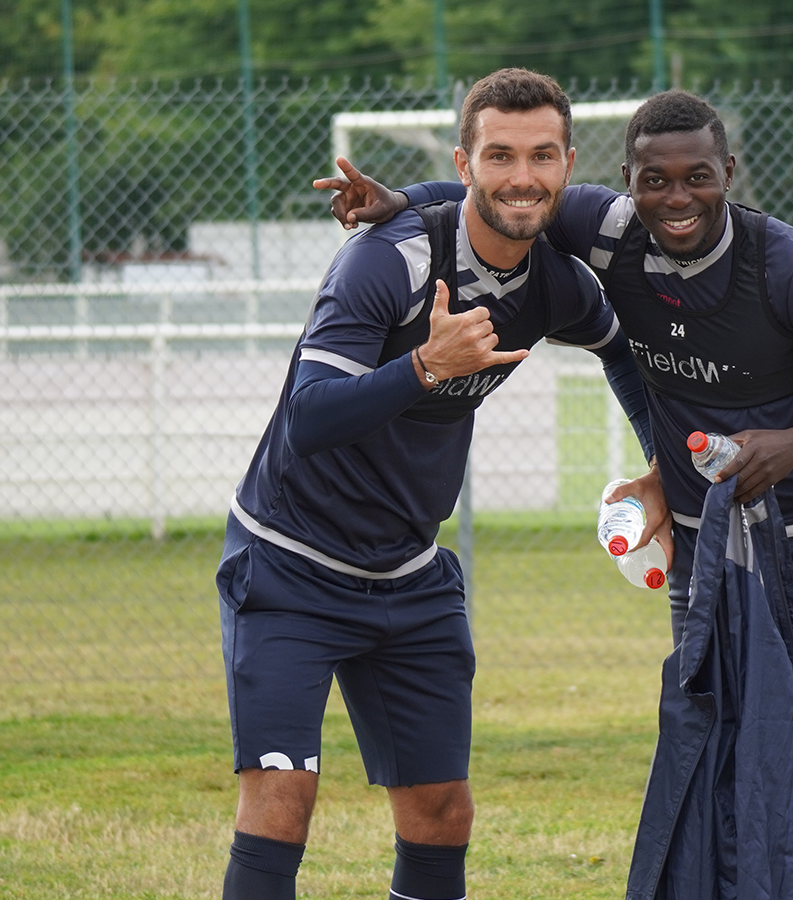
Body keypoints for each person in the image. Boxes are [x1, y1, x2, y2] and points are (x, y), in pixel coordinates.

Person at [318, 88, 793, 900]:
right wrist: (400, 201)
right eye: (654, 181)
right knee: (710, 771)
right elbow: (502, 199)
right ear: (626, 182)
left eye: (697, 177)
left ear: (728, 174)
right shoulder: (605, 230)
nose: (676, 198)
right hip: (710, 559)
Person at [215, 68, 650, 900]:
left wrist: (662, 463)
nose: (521, 176)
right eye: (500, 155)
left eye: (542, 156)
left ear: (566, 165)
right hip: (289, 565)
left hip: (409, 578)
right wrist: (423, 365)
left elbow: (623, 352)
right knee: (282, 802)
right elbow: (308, 419)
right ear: (465, 162)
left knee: (442, 811)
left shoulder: (556, 281)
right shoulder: (386, 258)